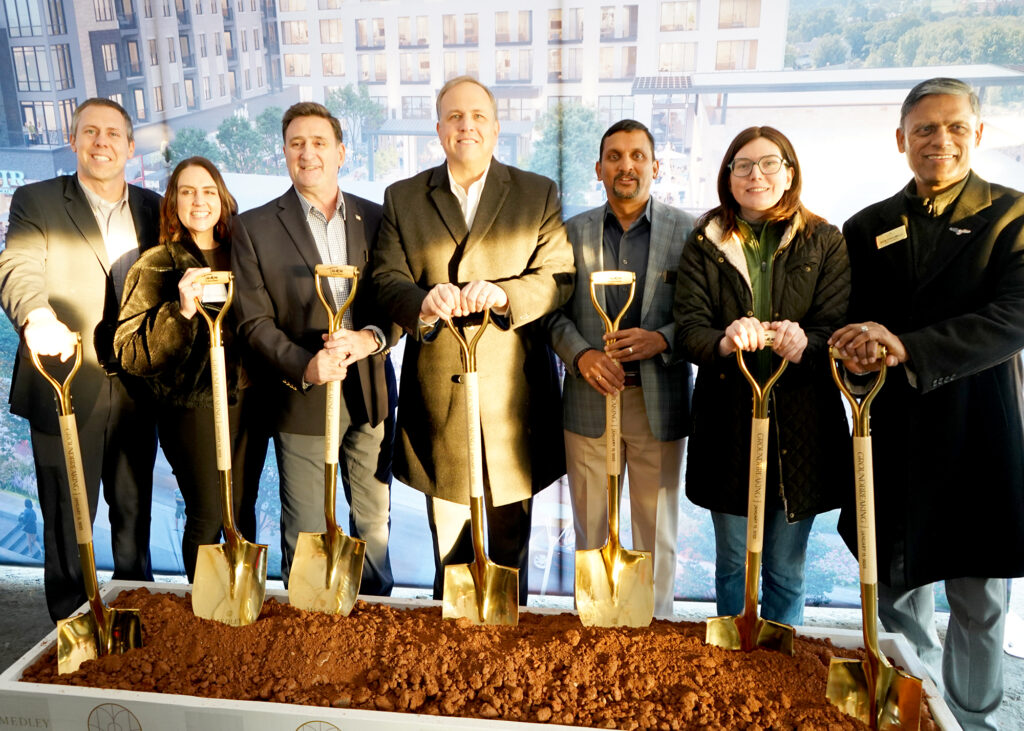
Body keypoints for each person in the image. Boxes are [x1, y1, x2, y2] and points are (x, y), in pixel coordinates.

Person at [829, 77, 1024, 731]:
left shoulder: (1012, 217)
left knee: (979, 594)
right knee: (897, 585)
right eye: (924, 129)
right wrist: (853, 346)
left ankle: (972, 715)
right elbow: (851, 320)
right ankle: (911, 709)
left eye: (955, 127)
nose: (939, 141)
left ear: (977, 133)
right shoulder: (867, 227)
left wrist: (906, 347)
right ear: (901, 139)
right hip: (894, 431)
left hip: (980, 428)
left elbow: (1013, 316)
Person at [373, 76, 574, 601]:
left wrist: (505, 295)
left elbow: (558, 276)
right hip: (442, 397)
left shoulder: (537, 193)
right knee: (452, 547)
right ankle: (454, 661)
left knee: (509, 544)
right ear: (439, 130)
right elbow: (385, 278)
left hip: (516, 399)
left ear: (496, 127)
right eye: (455, 117)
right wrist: (422, 300)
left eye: (478, 116)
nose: (467, 126)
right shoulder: (403, 197)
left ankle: (510, 660)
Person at [674, 126, 851, 628]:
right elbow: (688, 330)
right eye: (743, 165)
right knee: (733, 561)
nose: (756, 175)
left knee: (786, 568)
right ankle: (733, 663)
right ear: (727, 176)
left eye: (769, 163)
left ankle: (781, 662)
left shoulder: (825, 240)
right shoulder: (705, 240)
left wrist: (808, 343)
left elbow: (834, 328)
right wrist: (725, 340)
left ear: (789, 172)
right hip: (727, 419)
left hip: (802, 420)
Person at [0, 98, 159, 622]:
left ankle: (136, 617)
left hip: (137, 387)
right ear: (73, 141)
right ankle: (70, 630)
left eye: (113, 134)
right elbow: (17, 265)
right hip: (64, 382)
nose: (101, 142)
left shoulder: (153, 208)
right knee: (68, 521)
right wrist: (36, 317)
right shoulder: (36, 200)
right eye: (89, 132)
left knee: (133, 514)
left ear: (130, 147)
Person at [231, 102, 397, 594]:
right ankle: (311, 630)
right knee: (306, 531)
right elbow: (253, 322)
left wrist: (372, 338)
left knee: (373, 524)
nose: (308, 153)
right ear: (284, 152)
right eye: (297, 143)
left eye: (319, 143)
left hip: (369, 393)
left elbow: (396, 298)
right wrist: (308, 365)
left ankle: (375, 619)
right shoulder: (256, 227)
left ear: (341, 152)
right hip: (300, 395)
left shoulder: (378, 218)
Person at [546, 119, 693, 617]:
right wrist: (581, 355)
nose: (625, 165)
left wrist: (662, 340)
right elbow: (551, 312)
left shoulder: (688, 232)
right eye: (614, 156)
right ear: (599, 168)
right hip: (590, 401)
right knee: (591, 529)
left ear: (655, 166)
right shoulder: (571, 233)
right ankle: (596, 625)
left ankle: (656, 628)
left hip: (659, 402)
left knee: (656, 531)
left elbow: (702, 315)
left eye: (636, 156)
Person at [114, 157, 265, 581]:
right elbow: (130, 352)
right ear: (173, 203)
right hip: (191, 409)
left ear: (222, 198)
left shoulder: (246, 253)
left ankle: (244, 602)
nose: (199, 201)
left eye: (208, 191)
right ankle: (205, 609)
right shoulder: (157, 264)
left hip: (247, 402)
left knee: (242, 507)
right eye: (187, 192)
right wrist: (180, 313)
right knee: (208, 512)